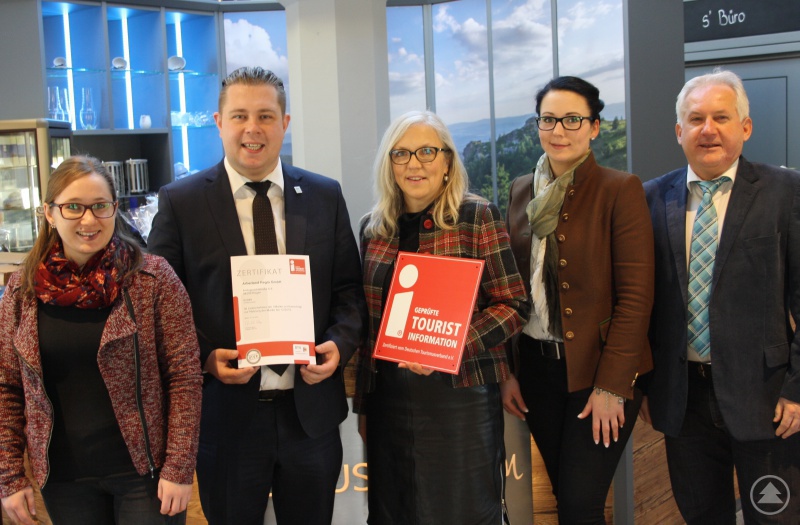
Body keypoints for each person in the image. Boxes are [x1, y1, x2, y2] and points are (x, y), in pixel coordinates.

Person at [147, 67, 366, 525]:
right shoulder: (181, 202)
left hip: (310, 416)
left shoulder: (325, 196)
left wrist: (339, 346)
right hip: (225, 419)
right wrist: (205, 357)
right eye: (240, 115)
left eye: (266, 116)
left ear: (285, 123)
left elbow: (349, 291)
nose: (253, 128)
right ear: (219, 122)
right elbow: (158, 308)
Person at [0, 156, 202, 525]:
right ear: (49, 212)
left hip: (146, 476)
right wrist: (9, 476)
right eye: (73, 207)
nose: (88, 220)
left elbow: (185, 376)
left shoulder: (153, 279)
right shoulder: (21, 291)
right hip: (63, 480)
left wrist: (178, 466)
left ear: (115, 208)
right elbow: (7, 387)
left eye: (100, 206)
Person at [354, 109, 529, 524]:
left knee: (463, 511)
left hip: (460, 396)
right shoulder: (372, 228)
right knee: (393, 512)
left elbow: (513, 305)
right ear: (389, 162)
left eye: (427, 152)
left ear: (448, 161)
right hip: (390, 399)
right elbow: (368, 324)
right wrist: (364, 405)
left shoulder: (476, 216)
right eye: (401, 153)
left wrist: (448, 346)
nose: (414, 164)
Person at [642, 69, 800, 524]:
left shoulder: (785, 193)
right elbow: (644, 302)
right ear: (679, 131)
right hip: (683, 401)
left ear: (745, 127)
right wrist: (648, 386)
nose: (707, 129)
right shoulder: (652, 198)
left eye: (721, 117)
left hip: (768, 402)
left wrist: (797, 389)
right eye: (695, 119)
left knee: (775, 517)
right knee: (701, 516)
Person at [501, 76, 655, 524]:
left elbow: (636, 297)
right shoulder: (520, 190)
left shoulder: (619, 189)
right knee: (568, 497)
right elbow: (512, 288)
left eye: (572, 119)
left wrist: (612, 385)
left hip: (599, 370)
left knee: (580, 503)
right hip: (536, 369)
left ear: (594, 127)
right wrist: (509, 372)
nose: (559, 130)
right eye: (548, 119)